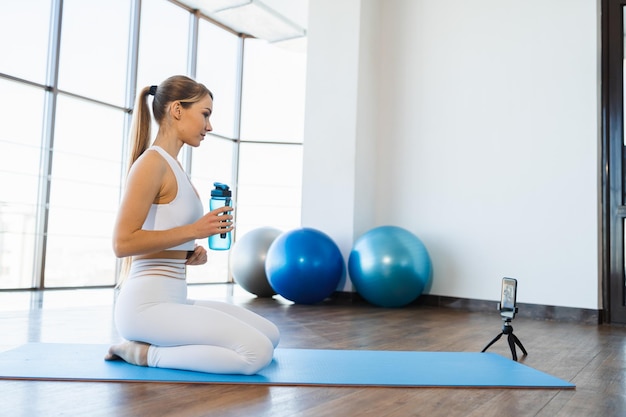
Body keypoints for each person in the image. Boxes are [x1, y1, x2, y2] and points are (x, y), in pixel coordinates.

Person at [104, 75, 280, 375]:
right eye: (205, 114)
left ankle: (161, 346)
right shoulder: (151, 163)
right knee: (256, 353)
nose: (209, 126)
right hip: (145, 307)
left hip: (175, 297)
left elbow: (161, 234)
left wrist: (187, 252)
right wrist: (193, 231)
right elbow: (122, 243)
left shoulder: (174, 166)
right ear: (176, 110)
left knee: (271, 336)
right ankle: (144, 353)